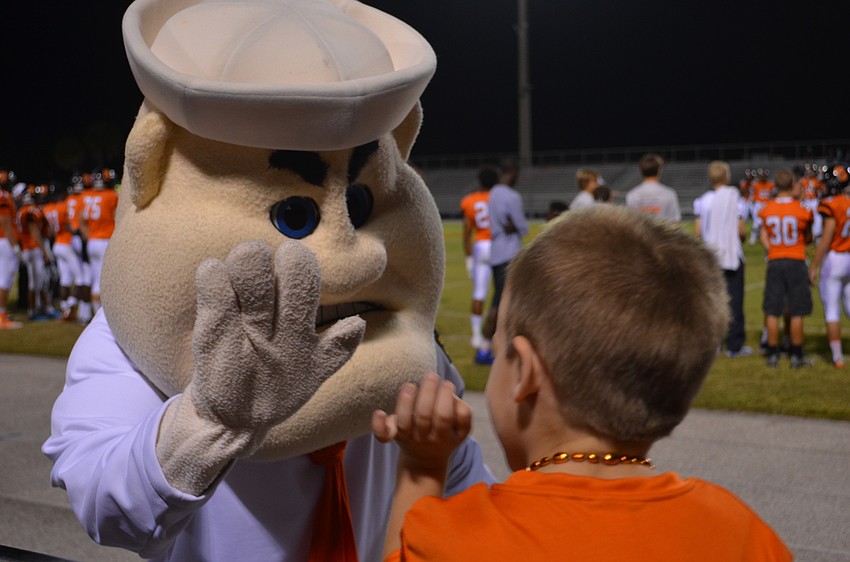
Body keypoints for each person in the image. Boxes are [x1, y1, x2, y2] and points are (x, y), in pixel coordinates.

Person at [372, 205, 792, 562]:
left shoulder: (457, 537)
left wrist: (421, 469)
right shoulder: (743, 534)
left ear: (526, 373)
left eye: (500, 351)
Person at [693, 161, 751, 357]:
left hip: (711, 257)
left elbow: (698, 231)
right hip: (732, 255)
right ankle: (734, 346)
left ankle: (714, 344)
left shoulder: (703, 200)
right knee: (734, 301)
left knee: (713, 301)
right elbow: (741, 230)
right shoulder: (735, 198)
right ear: (726, 176)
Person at [758, 169, 814, 368]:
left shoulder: (767, 208)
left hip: (775, 260)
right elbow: (808, 237)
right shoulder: (803, 210)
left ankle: (773, 354)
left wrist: (771, 249)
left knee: (773, 310)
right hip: (796, 260)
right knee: (797, 310)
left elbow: (763, 234)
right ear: (792, 185)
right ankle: (796, 355)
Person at [483, 158, 528, 361]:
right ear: (511, 173)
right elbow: (523, 227)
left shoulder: (492, 193)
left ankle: (486, 346)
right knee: (506, 301)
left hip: (495, 252)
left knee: (497, 299)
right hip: (510, 253)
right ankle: (493, 346)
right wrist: (516, 226)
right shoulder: (512, 196)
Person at [809, 181, 850, 368]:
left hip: (835, 259)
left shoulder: (833, 204)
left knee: (832, 310)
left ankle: (837, 357)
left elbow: (826, 239)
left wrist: (814, 265)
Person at [460, 166, 497, 362]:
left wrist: (468, 258)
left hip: (480, 246)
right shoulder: (499, 198)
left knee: (479, 294)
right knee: (500, 294)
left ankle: (476, 336)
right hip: (498, 246)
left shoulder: (470, 201)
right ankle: (494, 335)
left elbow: (467, 233)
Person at [78, 168, 119, 315]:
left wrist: (89, 236)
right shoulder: (111, 196)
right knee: (106, 280)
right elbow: (118, 218)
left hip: (93, 242)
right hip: (105, 241)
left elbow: (81, 220)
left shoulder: (87, 196)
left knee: (96, 278)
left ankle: (94, 314)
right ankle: (101, 316)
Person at [15, 191, 52, 320]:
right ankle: (33, 311)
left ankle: (43, 308)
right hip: (32, 248)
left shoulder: (22, 211)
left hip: (27, 248)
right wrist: (44, 251)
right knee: (35, 282)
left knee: (39, 281)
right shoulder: (30, 212)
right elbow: (34, 233)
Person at [625, 153, 681, 222]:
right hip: (661, 232)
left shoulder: (632, 194)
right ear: (659, 171)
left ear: (641, 171)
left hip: (641, 232)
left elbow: (632, 222)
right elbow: (674, 222)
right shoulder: (669, 193)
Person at [0, 169, 22, 329]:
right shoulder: (4, 196)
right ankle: (1, 317)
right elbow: (6, 223)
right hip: (4, 241)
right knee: (5, 279)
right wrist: (15, 246)